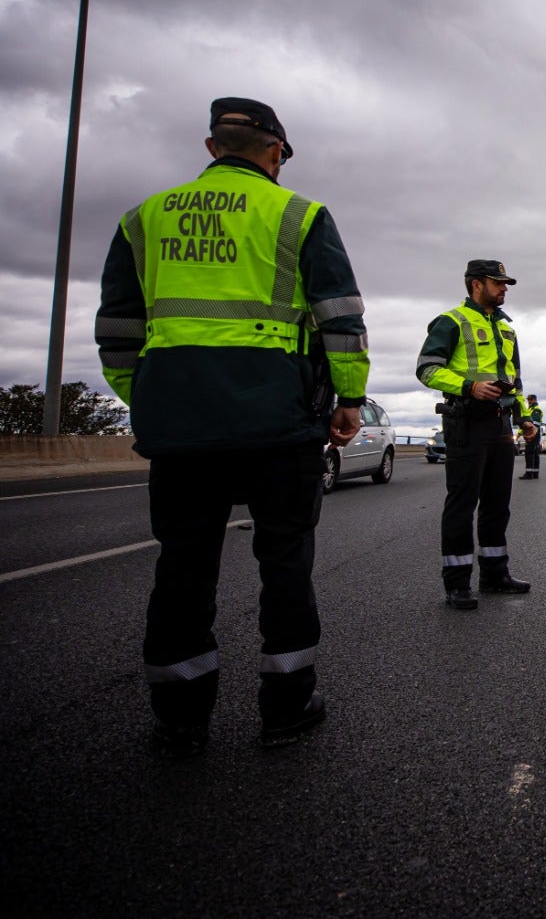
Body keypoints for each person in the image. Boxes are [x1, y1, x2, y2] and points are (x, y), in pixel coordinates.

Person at [95, 97, 368, 757]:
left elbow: (117, 330)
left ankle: (181, 717)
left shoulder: (143, 218)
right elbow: (340, 317)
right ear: (275, 153)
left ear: (213, 148)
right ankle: (286, 706)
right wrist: (348, 399)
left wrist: (152, 398)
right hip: (278, 423)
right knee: (285, 565)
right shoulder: (297, 213)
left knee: (183, 569)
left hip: (182, 424)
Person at [417, 260, 538, 609]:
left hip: (500, 424)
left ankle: (495, 574)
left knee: (497, 504)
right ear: (476, 285)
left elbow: (515, 382)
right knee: (462, 504)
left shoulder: (507, 329)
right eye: (497, 283)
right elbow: (426, 369)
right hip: (466, 422)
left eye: (505, 284)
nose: (504, 289)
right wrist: (469, 387)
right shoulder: (451, 321)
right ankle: (456, 583)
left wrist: (525, 419)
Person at [520, 394, 544, 479]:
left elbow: (534, 423)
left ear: (534, 400)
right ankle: (534, 473)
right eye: (528, 400)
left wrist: (530, 431)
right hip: (532, 433)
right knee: (534, 452)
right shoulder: (530, 409)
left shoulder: (536, 410)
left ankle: (529, 473)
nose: (528, 401)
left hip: (534, 433)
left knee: (530, 452)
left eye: (530, 400)